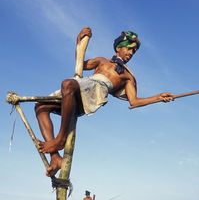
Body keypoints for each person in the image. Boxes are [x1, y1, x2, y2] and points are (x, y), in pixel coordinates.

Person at [35, 27, 174, 176]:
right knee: (41, 106)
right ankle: (55, 157)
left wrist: (158, 98)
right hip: (81, 86)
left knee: (67, 84)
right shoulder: (101, 61)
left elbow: (134, 102)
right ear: (119, 48)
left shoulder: (127, 76)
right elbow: (80, 63)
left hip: (95, 92)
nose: (130, 54)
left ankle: (60, 139)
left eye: (133, 52)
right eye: (129, 49)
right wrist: (79, 41)